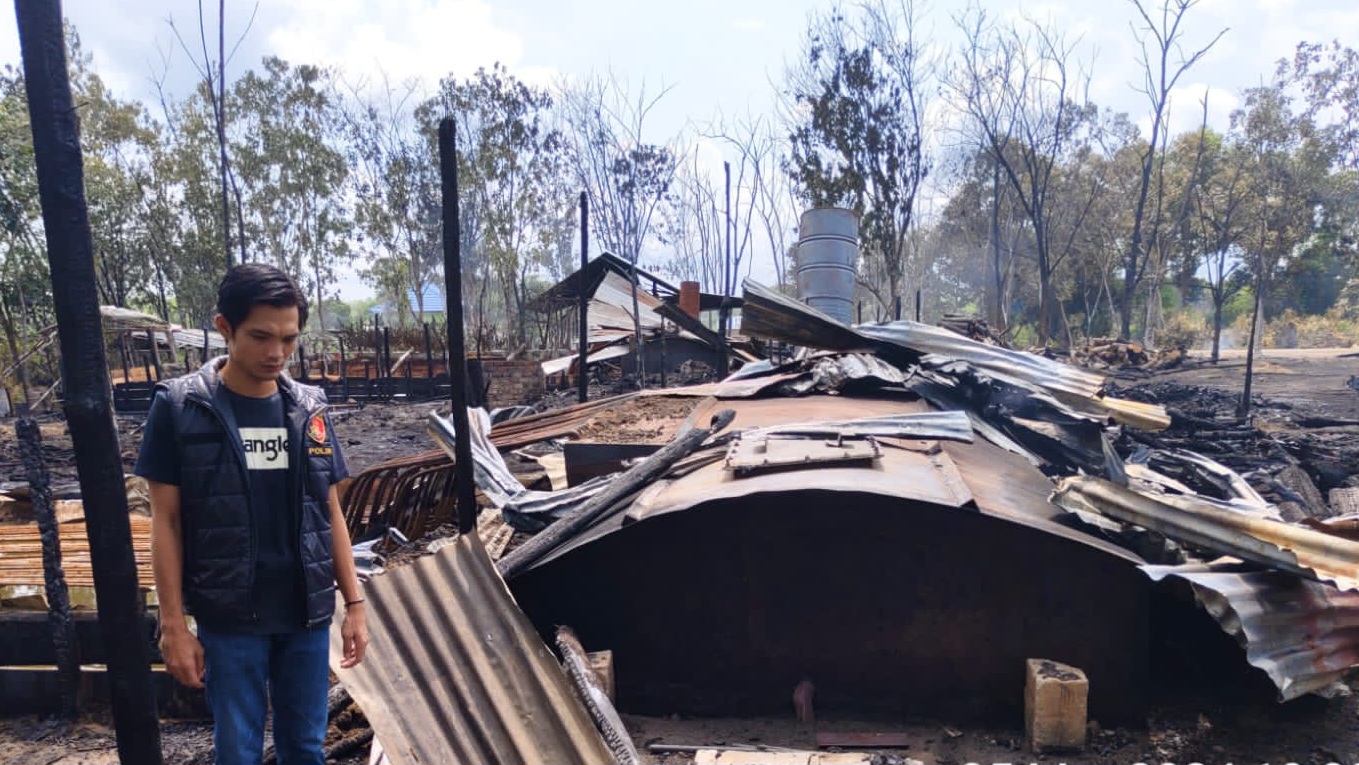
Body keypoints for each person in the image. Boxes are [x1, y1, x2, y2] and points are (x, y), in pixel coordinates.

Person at [136, 263, 368, 765]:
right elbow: (166, 523)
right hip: (231, 616)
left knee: (305, 748)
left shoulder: (310, 409)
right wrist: (173, 624)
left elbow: (329, 509)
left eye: (289, 338)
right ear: (224, 328)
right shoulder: (180, 409)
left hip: (305, 614)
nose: (277, 353)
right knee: (237, 751)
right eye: (261, 336)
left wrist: (354, 603)